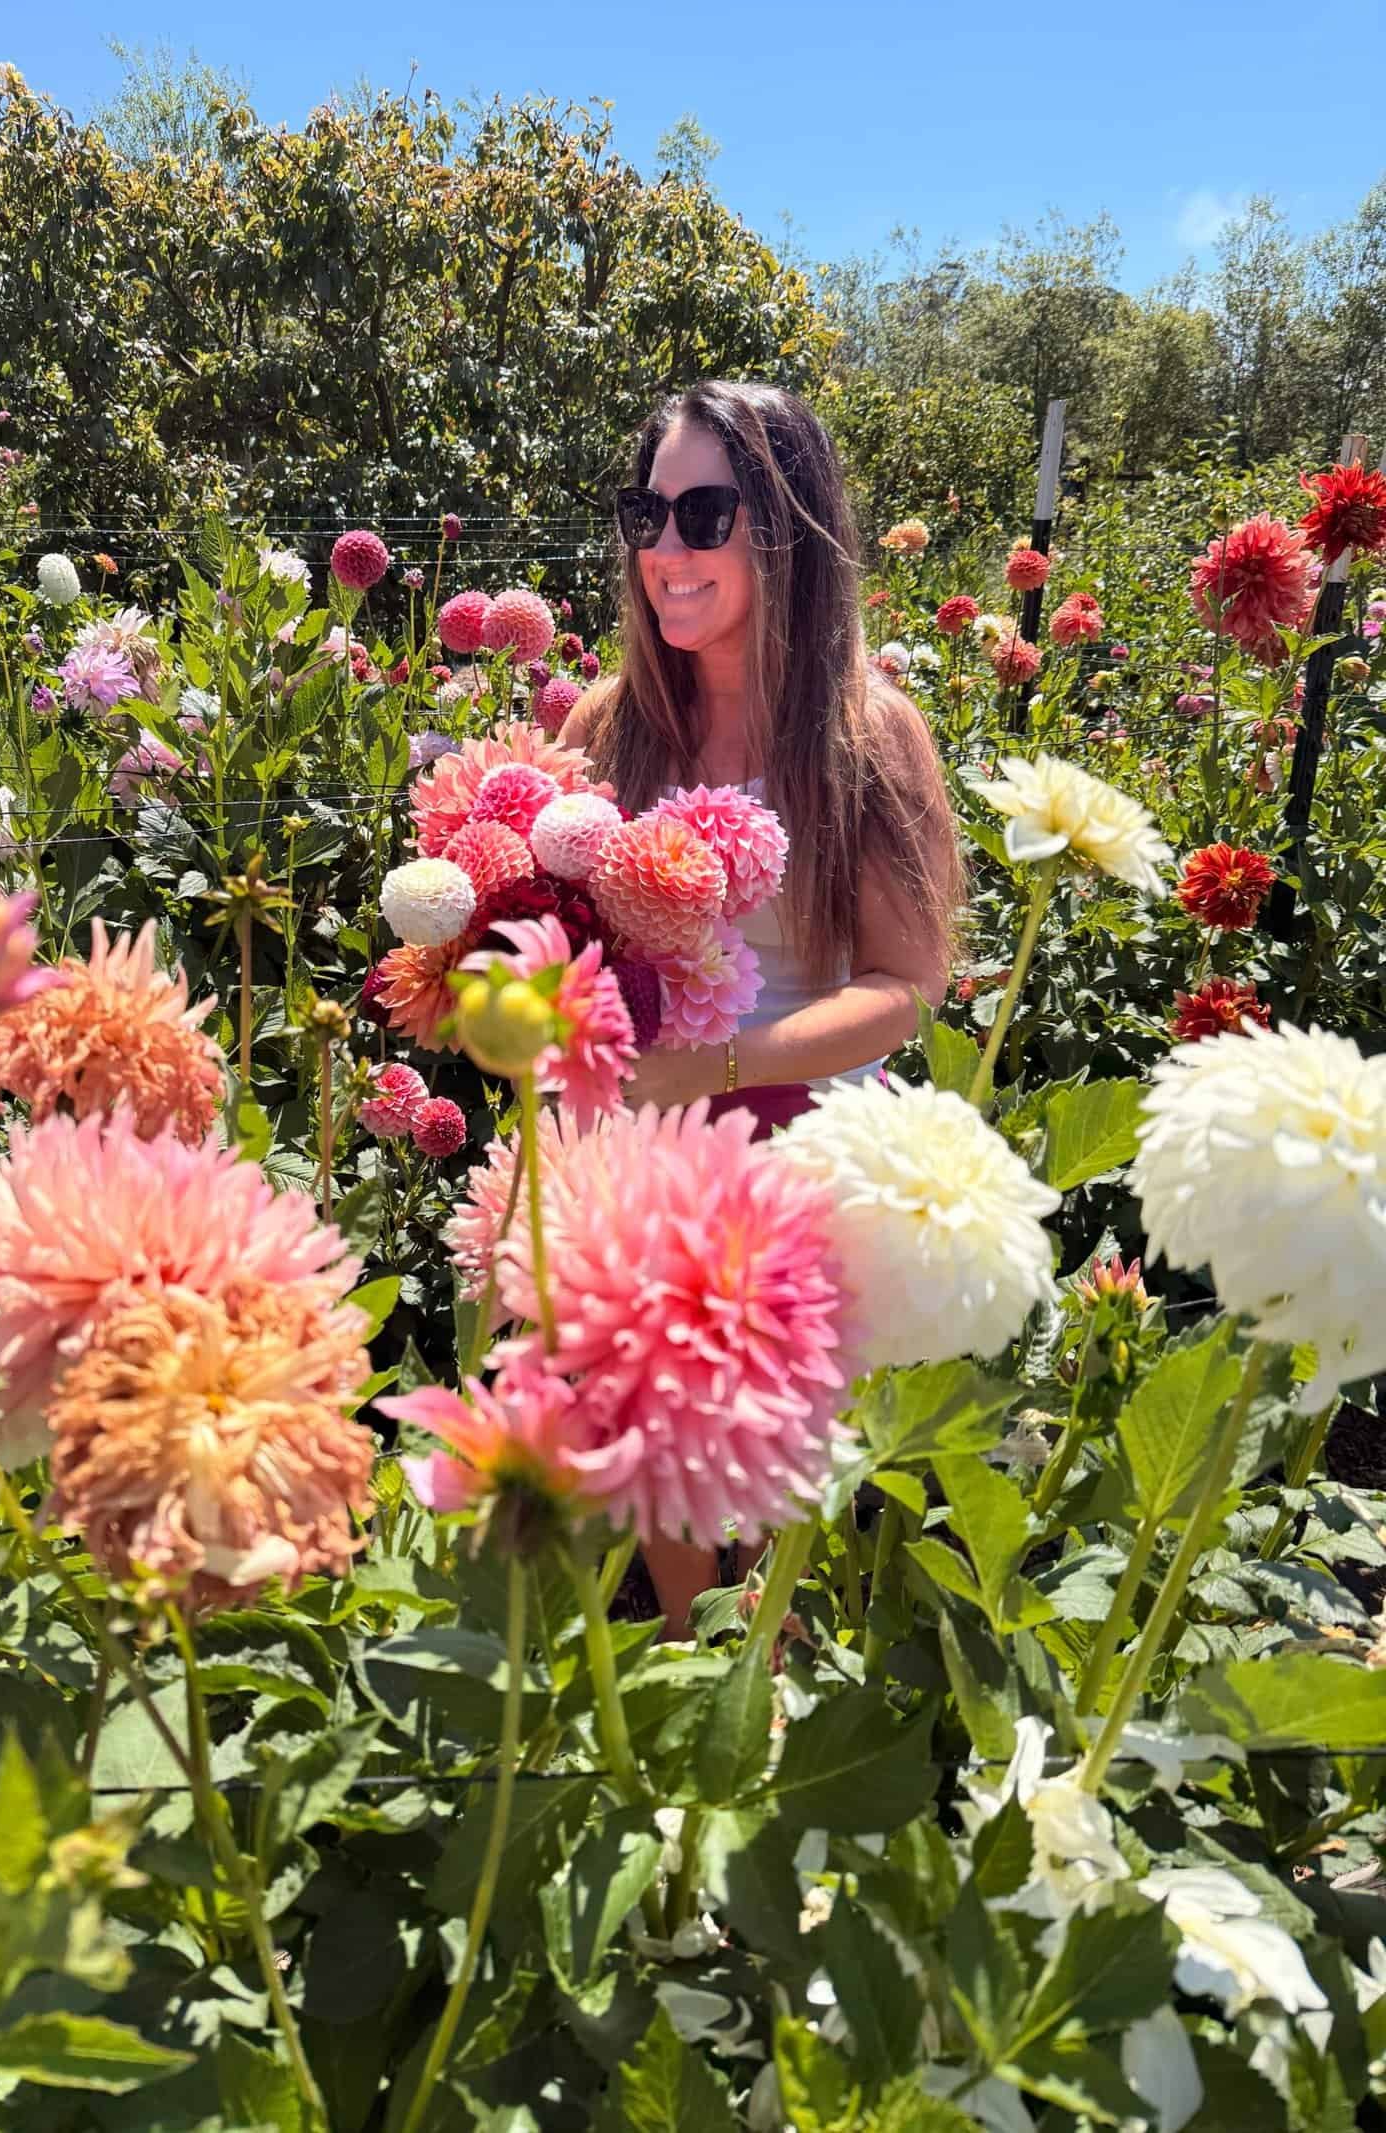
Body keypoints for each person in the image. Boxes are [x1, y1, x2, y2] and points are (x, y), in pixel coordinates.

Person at [559, 379, 963, 1632]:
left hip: (802, 1140)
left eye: (704, 514)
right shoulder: (604, 727)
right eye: (646, 514)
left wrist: (715, 1069)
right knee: (661, 1466)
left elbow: (906, 988)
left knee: (778, 1495)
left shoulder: (864, 736)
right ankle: (696, 1669)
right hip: (632, 1148)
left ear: (782, 526)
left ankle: (773, 1696)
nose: (665, 551)